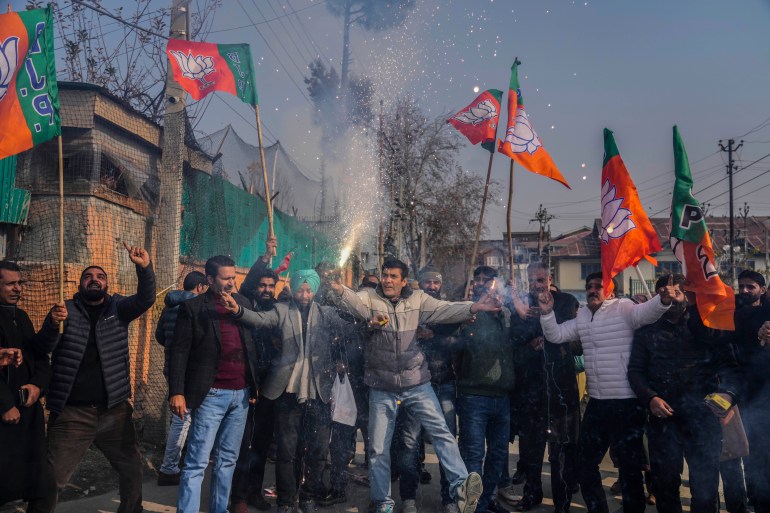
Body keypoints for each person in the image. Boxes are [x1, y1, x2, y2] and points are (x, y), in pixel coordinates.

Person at [328, 258, 502, 513]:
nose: (387, 280)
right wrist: (339, 289)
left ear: (403, 281)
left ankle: (462, 487)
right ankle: (383, 503)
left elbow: (446, 309)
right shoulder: (370, 298)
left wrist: (474, 307)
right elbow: (353, 302)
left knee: (442, 433)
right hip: (381, 385)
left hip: (416, 382)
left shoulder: (419, 299)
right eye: (384, 275)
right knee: (377, 449)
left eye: (392, 277)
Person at [28, 242, 156, 513]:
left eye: (100, 276)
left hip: (114, 411)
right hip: (73, 414)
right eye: (88, 276)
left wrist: (144, 269)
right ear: (80, 284)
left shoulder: (118, 308)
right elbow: (41, 348)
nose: (94, 280)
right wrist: (52, 323)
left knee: (132, 470)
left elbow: (146, 299)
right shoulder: (64, 311)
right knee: (51, 478)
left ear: (106, 284)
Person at [537, 271, 675, 513]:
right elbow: (556, 335)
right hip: (598, 403)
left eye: (598, 286)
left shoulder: (623, 308)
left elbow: (647, 313)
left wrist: (663, 299)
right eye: (589, 286)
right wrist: (547, 312)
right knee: (584, 463)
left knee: (630, 468)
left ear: (610, 290)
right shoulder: (581, 315)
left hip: (627, 403)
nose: (592, 289)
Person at [222, 269, 352, 513]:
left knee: (318, 451)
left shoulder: (326, 313)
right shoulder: (282, 311)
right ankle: (286, 501)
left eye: (309, 290)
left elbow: (349, 323)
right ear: (293, 289)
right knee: (286, 451)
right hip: (287, 393)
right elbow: (260, 320)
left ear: (315, 291)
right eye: (301, 289)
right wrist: (237, 311)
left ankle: (308, 497)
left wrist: (368, 320)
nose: (305, 295)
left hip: (318, 392)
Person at [627, 274, 740, 513]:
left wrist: (727, 397)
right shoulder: (646, 331)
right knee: (665, 483)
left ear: (689, 294)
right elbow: (635, 372)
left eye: (679, 291)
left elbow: (731, 368)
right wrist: (650, 398)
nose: (672, 296)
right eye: (665, 292)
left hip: (703, 417)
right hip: (663, 419)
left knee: (705, 486)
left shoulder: (709, 326)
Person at [169, 255, 260, 513]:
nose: (232, 282)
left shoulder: (242, 303)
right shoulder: (194, 308)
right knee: (197, 462)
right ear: (210, 279)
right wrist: (177, 391)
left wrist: (252, 386)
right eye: (226, 278)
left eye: (234, 277)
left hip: (240, 397)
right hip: (210, 395)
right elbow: (179, 352)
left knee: (227, 461)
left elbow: (250, 347)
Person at [509, 263, 580, 513]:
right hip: (531, 388)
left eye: (541, 279)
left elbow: (577, 341)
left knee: (561, 450)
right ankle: (532, 493)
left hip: (561, 387)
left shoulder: (567, 301)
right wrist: (530, 345)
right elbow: (514, 341)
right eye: (532, 280)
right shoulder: (520, 306)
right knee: (530, 449)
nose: (537, 285)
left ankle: (562, 502)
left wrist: (552, 343)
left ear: (550, 278)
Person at [396, 266, 463, 513]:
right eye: (427, 282)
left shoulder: (447, 309)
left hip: (444, 382)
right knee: (410, 442)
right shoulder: (408, 307)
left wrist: (432, 335)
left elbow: (458, 339)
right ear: (419, 284)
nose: (431, 286)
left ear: (440, 285)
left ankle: (449, 498)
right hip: (414, 383)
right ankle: (408, 498)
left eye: (435, 283)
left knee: (446, 442)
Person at [0, 262, 62, 507]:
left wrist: (37, 386)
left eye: (20, 283)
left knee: (39, 483)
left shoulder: (21, 316)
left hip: (28, 412)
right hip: (6, 414)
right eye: (11, 283)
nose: (18, 289)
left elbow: (38, 355)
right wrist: (5, 405)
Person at [455, 266, 515, 513]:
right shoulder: (466, 312)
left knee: (498, 454)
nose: (482, 284)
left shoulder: (507, 314)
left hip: (502, 397)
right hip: (473, 396)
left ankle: (488, 499)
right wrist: (468, 313)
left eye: (487, 280)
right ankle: (473, 506)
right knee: (473, 455)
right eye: (477, 280)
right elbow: (453, 341)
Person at [231, 267, 281, 513]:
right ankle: (237, 496)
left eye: (272, 286)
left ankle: (254, 492)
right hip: (245, 385)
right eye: (263, 285)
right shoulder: (245, 304)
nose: (267, 290)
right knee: (243, 444)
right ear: (254, 285)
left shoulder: (276, 310)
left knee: (261, 443)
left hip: (269, 387)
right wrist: (264, 257)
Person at [155, 270, 208, 486]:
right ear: (200, 287)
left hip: (171, 367)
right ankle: (169, 468)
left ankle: (176, 462)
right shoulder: (196, 306)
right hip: (189, 370)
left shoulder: (170, 305)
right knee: (183, 419)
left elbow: (160, 335)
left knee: (181, 417)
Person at [734, 270, 770, 513]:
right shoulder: (731, 312)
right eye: (742, 286)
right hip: (739, 394)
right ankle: (756, 499)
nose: (745, 291)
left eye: (751, 287)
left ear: (762, 290)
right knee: (748, 454)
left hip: (766, 395)